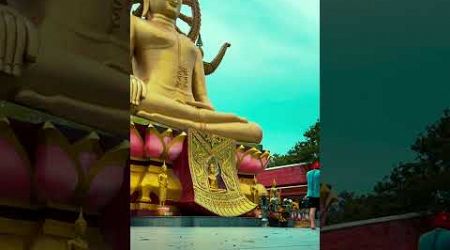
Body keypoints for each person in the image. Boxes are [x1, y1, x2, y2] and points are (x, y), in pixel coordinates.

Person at [306, 161, 320, 229]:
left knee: (312, 209)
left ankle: (312, 224)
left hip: (310, 194)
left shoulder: (308, 173)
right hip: (318, 193)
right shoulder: (319, 173)